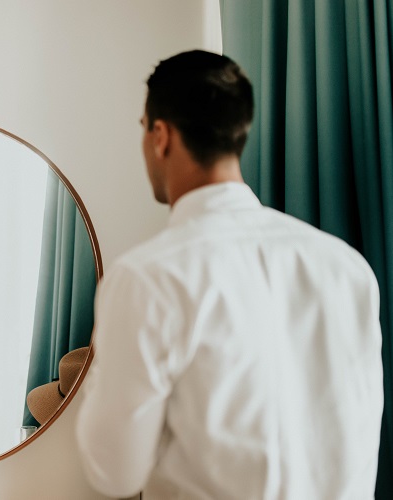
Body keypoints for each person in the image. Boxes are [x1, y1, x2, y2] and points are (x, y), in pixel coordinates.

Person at [75, 50, 384, 499]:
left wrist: (106, 354)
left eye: (144, 129)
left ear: (161, 136)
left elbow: (112, 473)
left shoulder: (146, 280)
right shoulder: (346, 267)